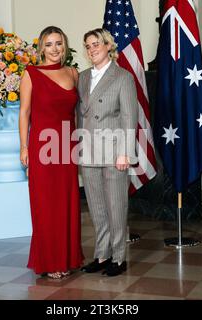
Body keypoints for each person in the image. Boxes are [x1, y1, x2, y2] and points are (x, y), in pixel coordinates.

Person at [19, 26, 84, 280]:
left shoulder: (73, 73)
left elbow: (76, 113)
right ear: (41, 48)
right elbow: (24, 113)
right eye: (49, 44)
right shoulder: (31, 74)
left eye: (59, 43)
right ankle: (49, 260)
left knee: (68, 203)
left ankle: (68, 257)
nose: (54, 49)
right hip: (42, 146)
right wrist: (24, 146)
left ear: (64, 46)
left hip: (66, 146)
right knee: (46, 204)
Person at [77, 28, 138, 277]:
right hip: (88, 150)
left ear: (108, 46)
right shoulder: (81, 77)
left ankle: (119, 257)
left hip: (114, 152)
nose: (92, 49)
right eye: (88, 45)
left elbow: (129, 117)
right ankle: (102, 255)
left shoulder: (123, 77)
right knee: (97, 207)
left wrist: (125, 152)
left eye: (96, 44)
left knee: (116, 206)